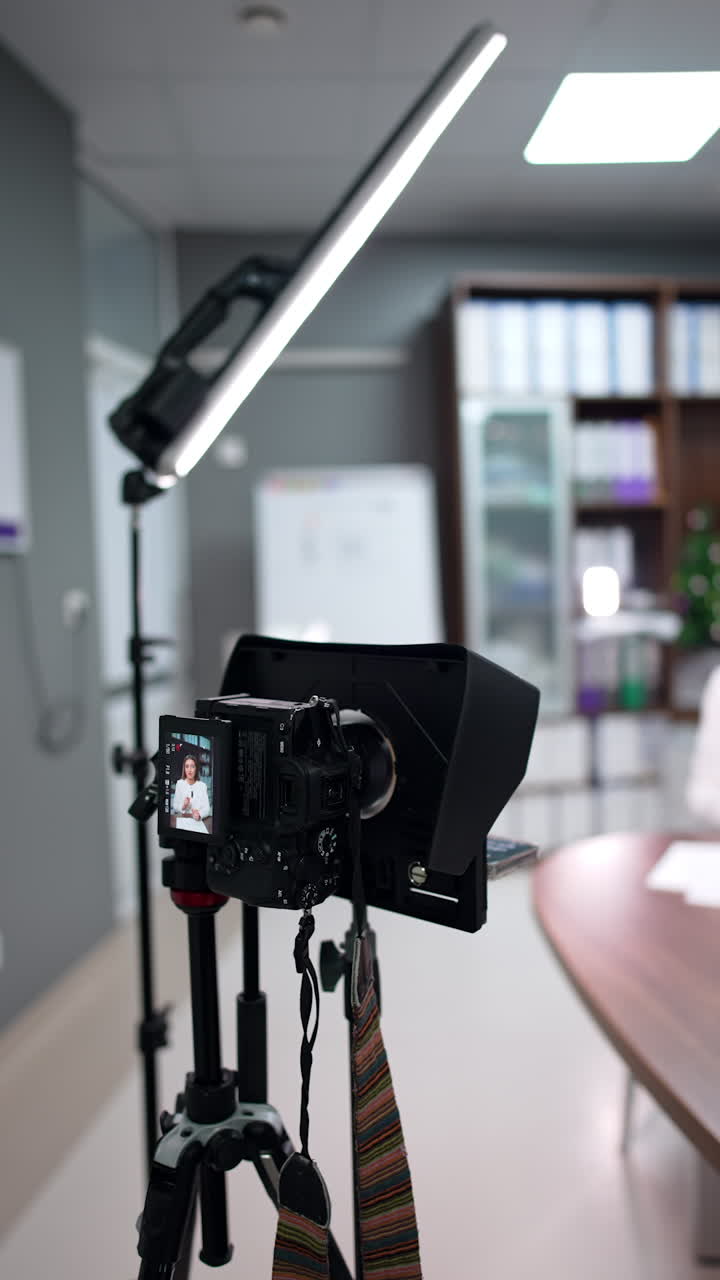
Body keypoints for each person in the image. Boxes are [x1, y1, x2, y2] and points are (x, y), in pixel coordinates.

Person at [173, 753, 211, 833]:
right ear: (184, 769)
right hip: (183, 820)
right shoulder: (179, 784)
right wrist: (183, 806)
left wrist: (199, 814)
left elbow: (207, 808)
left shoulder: (202, 786)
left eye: (192, 766)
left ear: (196, 769)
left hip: (197, 822)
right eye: (187, 766)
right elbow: (175, 805)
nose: (189, 770)